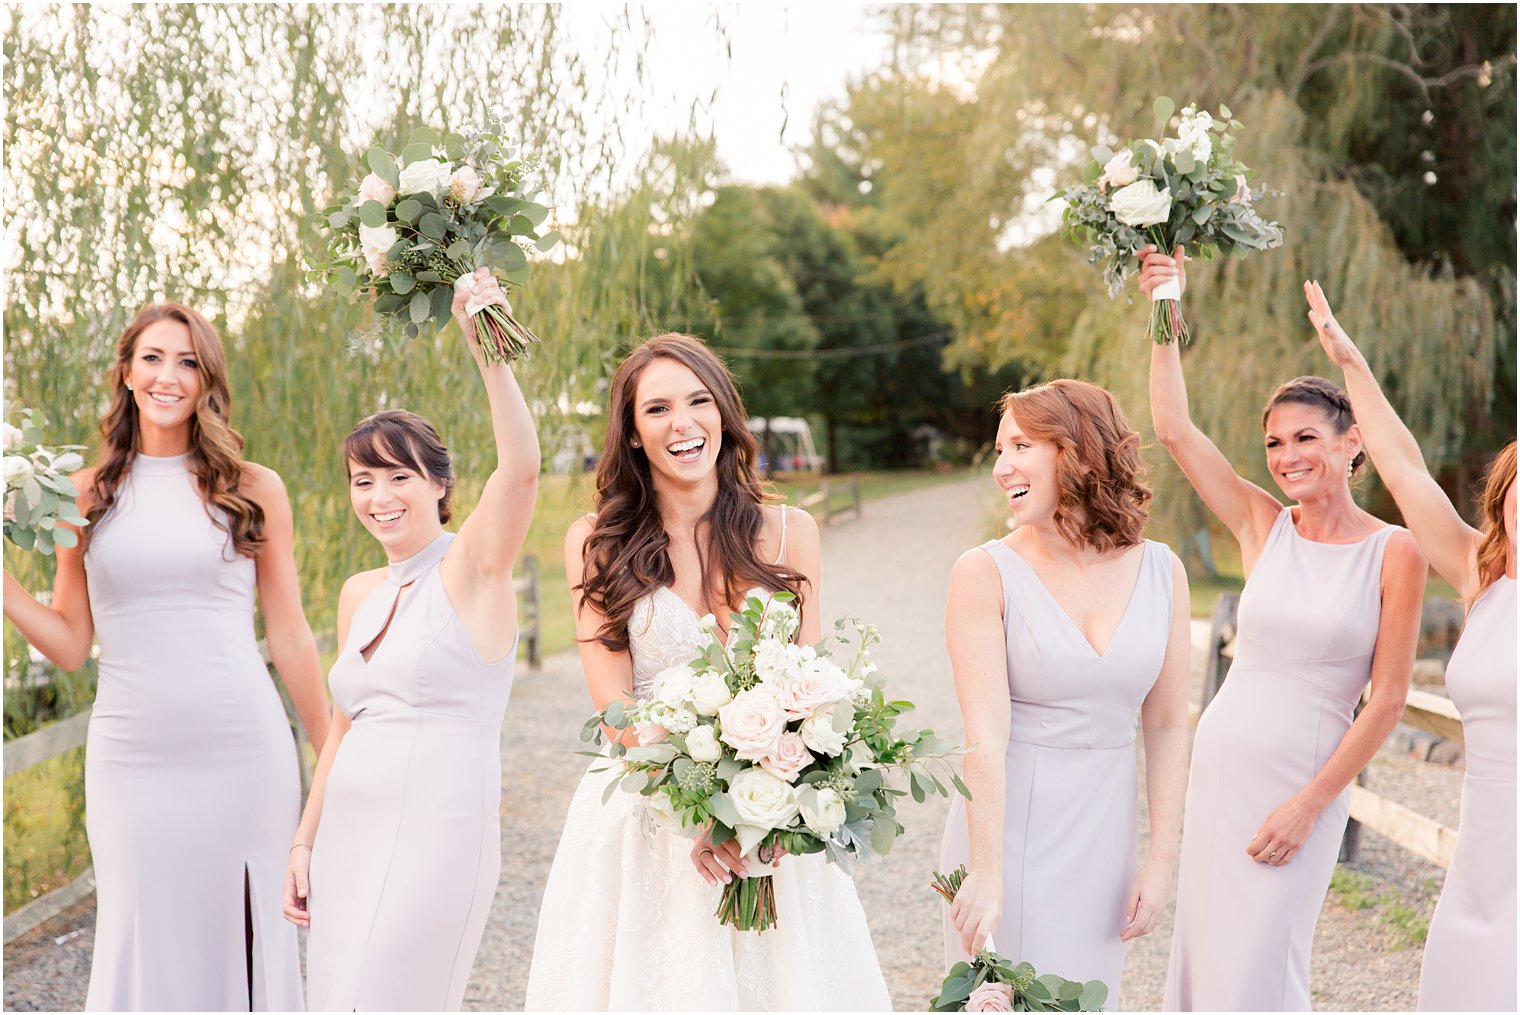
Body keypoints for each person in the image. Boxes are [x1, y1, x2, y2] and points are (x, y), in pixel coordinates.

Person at [523, 333, 890, 1010]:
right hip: (650, 818)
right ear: (633, 434)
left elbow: (809, 693)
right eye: (657, 409)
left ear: (724, 413)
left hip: (770, 818)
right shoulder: (597, 542)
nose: (683, 422)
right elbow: (614, 708)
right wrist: (701, 814)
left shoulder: (791, 532)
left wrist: (768, 810)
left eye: (698, 400)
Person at [2, 303, 329, 1010]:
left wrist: (333, 751)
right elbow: (68, 643)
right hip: (131, 756)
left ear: (206, 378)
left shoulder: (252, 487)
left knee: (244, 939)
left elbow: (290, 632)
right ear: (125, 372)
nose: (168, 376)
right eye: (152, 357)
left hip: (242, 749)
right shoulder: (82, 495)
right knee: (139, 936)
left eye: (187, 361)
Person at [1137, 247, 1428, 1011]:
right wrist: (1166, 304)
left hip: (1304, 782)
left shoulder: (1395, 551)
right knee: (1208, 964)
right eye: (1274, 442)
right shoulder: (1264, 525)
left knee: (1264, 965)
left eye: (1306, 437)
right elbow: (1173, 430)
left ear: (1351, 441)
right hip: (1224, 765)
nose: (1287, 455)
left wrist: (1310, 802)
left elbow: (1389, 702)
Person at [282, 270, 538, 1011]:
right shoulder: (359, 591)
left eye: (397, 476)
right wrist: (304, 840)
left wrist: (484, 341)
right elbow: (342, 729)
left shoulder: (472, 571)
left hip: (437, 836)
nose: (379, 497)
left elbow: (520, 472)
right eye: (363, 480)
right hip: (347, 837)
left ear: (438, 484)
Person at [940, 380, 1191, 1008]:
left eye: (1020, 446)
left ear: (1075, 452)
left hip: (1103, 836)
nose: (1002, 469)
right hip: (1007, 826)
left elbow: (1165, 726)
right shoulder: (984, 572)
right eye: (999, 450)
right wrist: (987, 868)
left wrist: (1161, 860)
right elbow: (984, 735)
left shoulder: (1163, 571)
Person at [1304, 280, 1516, 1012]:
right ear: (1504, 491)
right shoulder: (1478, 575)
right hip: (1485, 841)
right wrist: (1352, 364)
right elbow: (1404, 470)